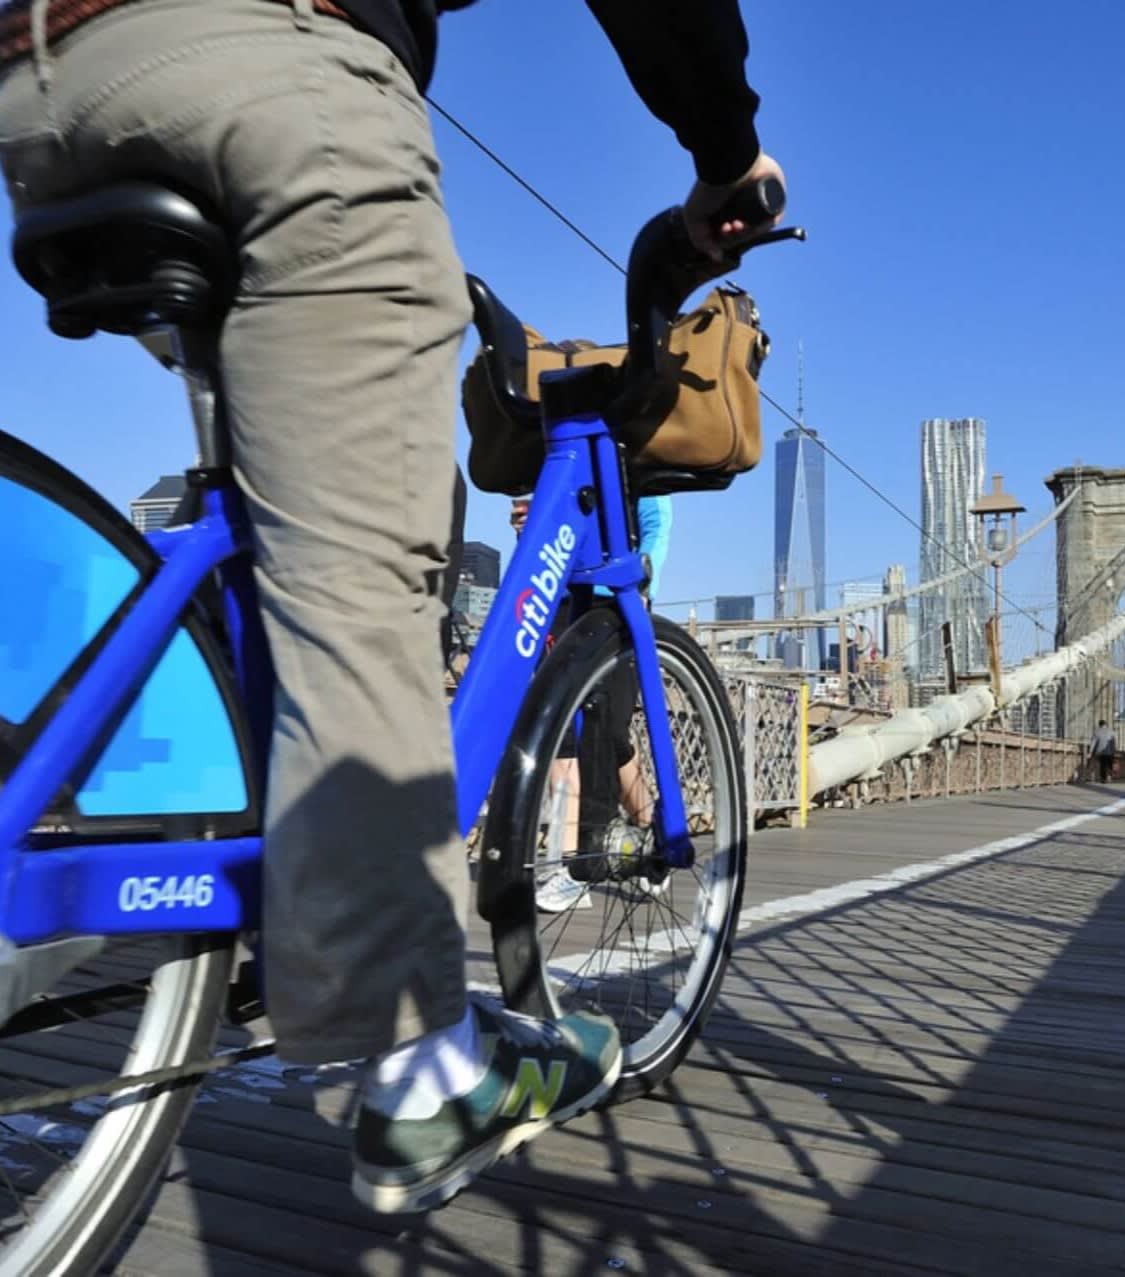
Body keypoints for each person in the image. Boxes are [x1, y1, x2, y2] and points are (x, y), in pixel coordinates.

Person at [0, 0, 781, 1215]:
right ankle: (420, 1056)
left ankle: (275, 855)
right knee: (365, 561)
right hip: (261, 60)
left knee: (266, 522)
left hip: (44, 83)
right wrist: (725, 148)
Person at [534, 493, 673, 913]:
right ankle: (569, 866)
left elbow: (656, 519)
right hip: (559, 596)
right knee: (560, 731)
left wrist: (643, 581)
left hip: (615, 596)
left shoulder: (634, 454)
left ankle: (652, 833)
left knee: (609, 734)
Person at [1088, 719, 1117, 783]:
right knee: (1109, 764)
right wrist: (1114, 751)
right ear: (1106, 724)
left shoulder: (1096, 732)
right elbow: (1113, 743)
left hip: (1100, 752)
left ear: (1099, 724)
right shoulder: (1111, 732)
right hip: (1109, 752)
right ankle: (1109, 776)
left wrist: (1090, 752)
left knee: (1103, 765)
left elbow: (1093, 743)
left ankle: (1103, 778)